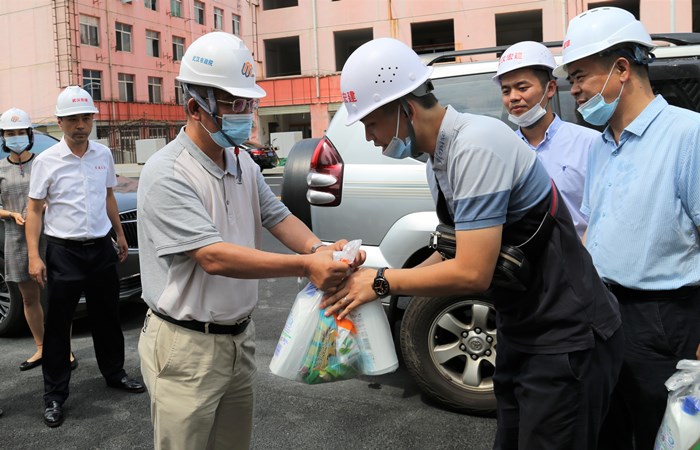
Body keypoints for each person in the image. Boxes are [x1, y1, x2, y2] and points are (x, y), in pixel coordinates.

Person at [323, 37, 623, 450]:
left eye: (371, 124)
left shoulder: (477, 144)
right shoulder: (439, 161)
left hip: (568, 334)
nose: (370, 137)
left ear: (405, 108)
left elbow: (473, 272)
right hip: (523, 327)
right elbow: (454, 251)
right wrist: (378, 281)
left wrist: (381, 282)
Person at [136, 32, 359, 450]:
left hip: (238, 338)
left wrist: (320, 250)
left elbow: (277, 216)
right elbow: (213, 257)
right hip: (186, 347)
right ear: (195, 107)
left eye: (248, 104)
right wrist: (305, 266)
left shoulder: (242, 162)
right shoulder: (168, 172)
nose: (245, 114)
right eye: (232, 104)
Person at [554, 7, 700, 449]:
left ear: (621, 69)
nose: (575, 89)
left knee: (664, 434)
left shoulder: (688, 135)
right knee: (606, 430)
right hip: (604, 313)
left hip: (665, 320)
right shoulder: (601, 145)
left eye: (580, 76)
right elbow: (594, 227)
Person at [26, 86, 145, 429]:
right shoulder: (46, 161)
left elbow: (108, 196)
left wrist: (119, 235)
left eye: (86, 118)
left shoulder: (102, 154)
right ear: (59, 122)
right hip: (63, 252)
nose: (80, 125)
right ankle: (54, 395)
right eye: (73, 119)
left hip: (100, 249)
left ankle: (114, 372)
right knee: (58, 326)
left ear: (93, 119)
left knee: (108, 316)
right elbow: (34, 210)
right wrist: (34, 256)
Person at [493, 41, 600, 238]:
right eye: (506, 91)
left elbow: (604, 214)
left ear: (550, 88)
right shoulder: (501, 151)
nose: (513, 97)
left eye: (522, 87)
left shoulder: (591, 144)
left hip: (581, 252)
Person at [0, 107, 78, 373]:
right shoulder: (0, 168)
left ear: (30, 134)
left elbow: (62, 193)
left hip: (50, 236)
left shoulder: (44, 162)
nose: (16, 137)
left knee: (57, 298)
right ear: (4, 137)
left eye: (20, 132)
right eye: (10, 133)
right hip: (15, 238)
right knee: (29, 299)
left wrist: (45, 206)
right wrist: (10, 214)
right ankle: (42, 347)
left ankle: (64, 349)